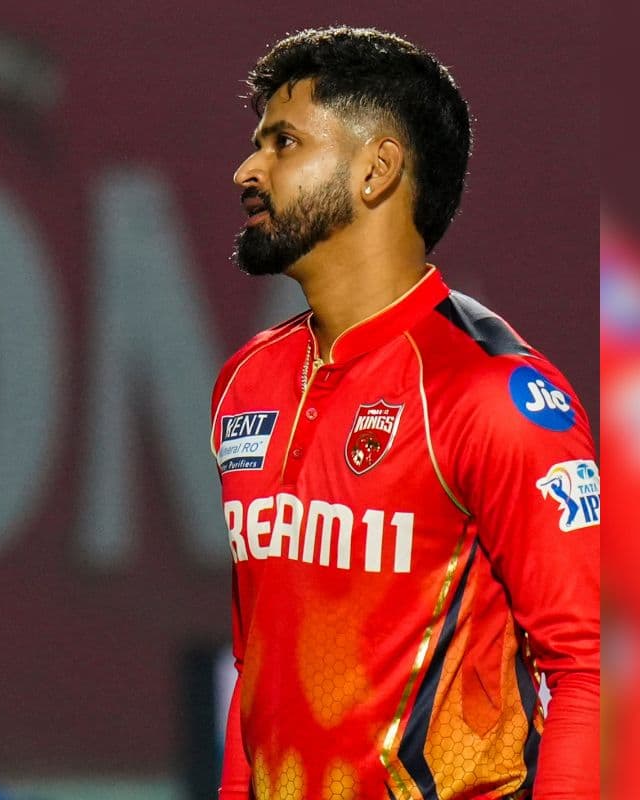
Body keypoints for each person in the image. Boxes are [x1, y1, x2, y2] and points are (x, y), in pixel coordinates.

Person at [211, 27, 598, 799]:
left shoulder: (496, 393)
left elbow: (592, 669)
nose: (246, 170)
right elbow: (258, 666)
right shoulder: (244, 384)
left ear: (377, 169)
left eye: (283, 142)